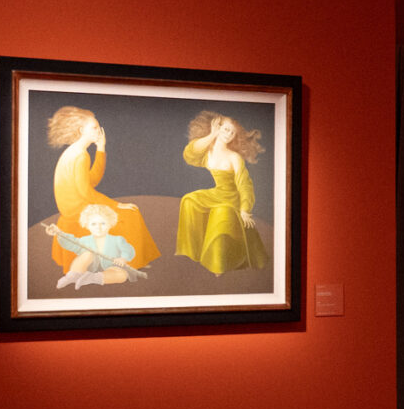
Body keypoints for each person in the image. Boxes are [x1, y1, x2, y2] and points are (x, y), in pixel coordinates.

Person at [47, 106, 158, 276]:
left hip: (76, 205)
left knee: (128, 212)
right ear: (81, 130)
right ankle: (132, 264)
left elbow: (92, 181)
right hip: (76, 209)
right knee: (130, 215)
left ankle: (129, 261)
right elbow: (86, 193)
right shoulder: (80, 156)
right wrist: (116, 205)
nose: (98, 131)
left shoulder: (77, 152)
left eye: (98, 127)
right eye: (94, 127)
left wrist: (101, 148)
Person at [176, 111, 271, 275]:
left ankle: (218, 265)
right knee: (189, 200)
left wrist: (245, 209)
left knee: (221, 214)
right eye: (226, 129)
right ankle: (194, 252)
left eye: (232, 132)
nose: (229, 134)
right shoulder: (208, 152)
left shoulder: (234, 157)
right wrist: (211, 135)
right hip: (217, 194)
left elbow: (244, 185)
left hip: (232, 199)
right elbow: (189, 155)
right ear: (217, 128)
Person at [44, 203, 148, 289]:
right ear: (87, 225)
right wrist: (59, 233)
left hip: (110, 267)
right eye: (93, 224)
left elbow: (129, 250)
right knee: (87, 254)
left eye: (103, 223)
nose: (98, 227)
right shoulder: (84, 240)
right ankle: (73, 276)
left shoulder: (117, 240)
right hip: (90, 267)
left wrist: (123, 258)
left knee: (122, 275)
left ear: (110, 224)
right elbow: (71, 243)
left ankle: (92, 278)